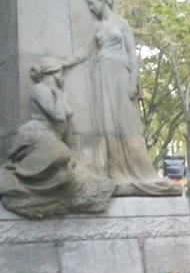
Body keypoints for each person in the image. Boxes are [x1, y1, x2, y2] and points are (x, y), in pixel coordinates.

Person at [67, 0, 180, 196]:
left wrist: (132, 81)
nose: (91, 8)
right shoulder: (97, 26)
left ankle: (136, 169)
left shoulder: (121, 23)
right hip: (103, 75)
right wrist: (66, 63)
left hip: (120, 72)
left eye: (92, 3)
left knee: (125, 123)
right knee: (108, 123)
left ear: (103, 1)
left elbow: (132, 54)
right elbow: (86, 51)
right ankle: (114, 169)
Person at [0, 57, 114, 217]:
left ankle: (46, 198)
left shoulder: (57, 93)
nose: (62, 77)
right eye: (60, 73)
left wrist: (61, 96)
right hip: (37, 134)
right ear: (52, 72)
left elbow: (68, 113)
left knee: (67, 175)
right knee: (62, 153)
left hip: (52, 137)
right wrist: (60, 97)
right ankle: (14, 178)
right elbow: (59, 116)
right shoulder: (38, 90)